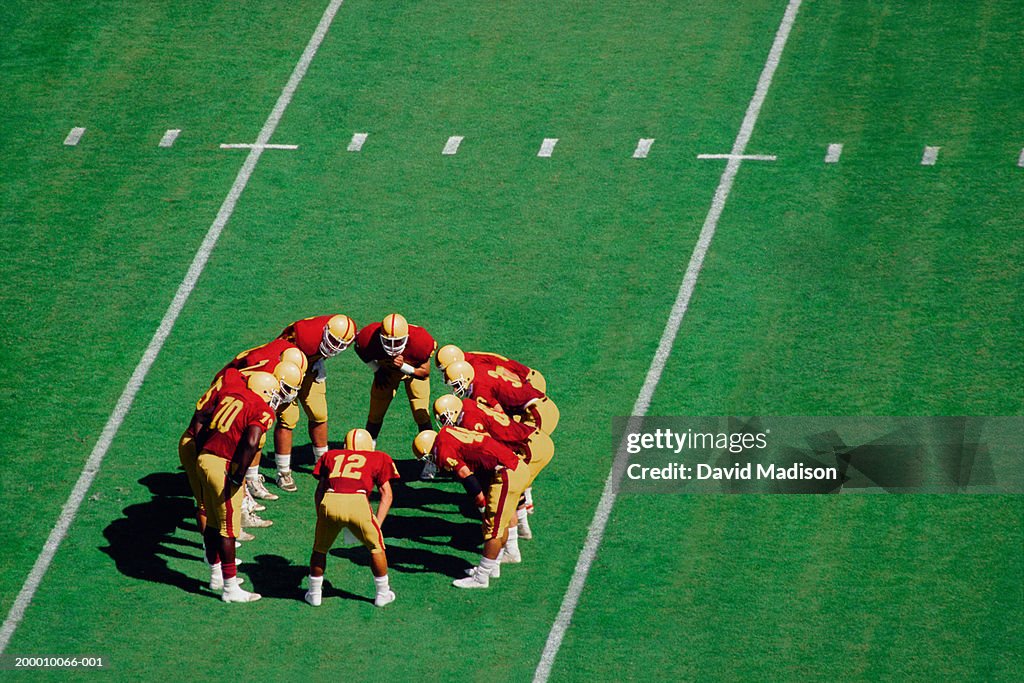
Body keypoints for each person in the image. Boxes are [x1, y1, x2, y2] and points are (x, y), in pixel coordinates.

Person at [193, 371, 284, 602]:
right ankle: (230, 588)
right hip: (222, 465)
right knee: (228, 529)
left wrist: (202, 450)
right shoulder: (261, 409)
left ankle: (216, 576)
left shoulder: (234, 395)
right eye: (272, 394)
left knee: (214, 522)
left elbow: (202, 417)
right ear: (264, 392)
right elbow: (252, 442)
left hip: (205, 459)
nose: (274, 398)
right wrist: (238, 476)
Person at [412, 427, 530, 588]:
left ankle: (481, 578)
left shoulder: (443, 450)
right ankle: (493, 567)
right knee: (501, 522)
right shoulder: (447, 432)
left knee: (492, 529)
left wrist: (482, 506)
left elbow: (465, 475)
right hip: (514, 467)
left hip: (506, 474)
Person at [433, 394, 553, 546]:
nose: (443, 422)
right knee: (511, 495)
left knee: (506, 497)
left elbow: (487, 446)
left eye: (444, 417)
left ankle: (511, 543)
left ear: (454, 412)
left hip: (524, 446)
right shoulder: (468, 406)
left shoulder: (470, 421)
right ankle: (521, 530)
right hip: (523, 443)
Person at [305, 428, 399, 607]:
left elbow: (319, 491)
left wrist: (322, 516)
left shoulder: (330, 456)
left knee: (319, 548)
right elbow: (387, 494)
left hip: (330, 500)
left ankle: (314, 593)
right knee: (376, 546)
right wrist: (377, 524)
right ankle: (383, 593)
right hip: (357, 501)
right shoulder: (378, 457)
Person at [216, 338, 308, 504]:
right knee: (252, 438)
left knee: (289, 415)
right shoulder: (263, 377)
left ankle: (278, 473)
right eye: (287, 388)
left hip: (257, 386)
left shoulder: (287, 365)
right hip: (235, 390)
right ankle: (246, 484)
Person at [273, 314, 358, 492]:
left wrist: (317, 360)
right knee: (288, 419)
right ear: (325, 331)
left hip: (310, 364)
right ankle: (283, 472)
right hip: (287, 366)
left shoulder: (345, 335)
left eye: (340, 344)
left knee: (319, 413)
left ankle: (323, 461)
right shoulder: (304, 335)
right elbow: (277, 352)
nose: (334, 347)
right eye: (332, 340)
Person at [354, 314, 436, 475]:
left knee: (421, 414)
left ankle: (432, 460)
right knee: (375, 414)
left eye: (398, 342)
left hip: (413, 373)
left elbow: (424, 372)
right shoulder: (369, 336)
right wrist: (376, 370)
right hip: (386, 373)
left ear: (407, 337)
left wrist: (403, 367)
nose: (392, 347)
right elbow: (359, 348)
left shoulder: (420, 341)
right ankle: (366, 456)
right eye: (388, 341)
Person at [443, 359, 559, 435]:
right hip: (538, 401)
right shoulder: (478, 369)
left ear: (466, 378)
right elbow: (507, 373)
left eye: (457, 385)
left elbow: (501, 418)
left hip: (538, 414)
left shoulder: (479, 392)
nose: (455, 389)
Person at [435, 344, 547, 392]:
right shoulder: (465, 359)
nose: (446, 375)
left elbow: (503, 373)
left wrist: (525, 388)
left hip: (527, 382)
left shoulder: (476, 367)